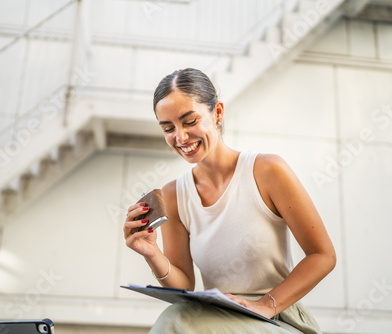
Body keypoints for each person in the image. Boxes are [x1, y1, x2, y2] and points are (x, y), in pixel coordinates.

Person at [123, 68, 336, 333]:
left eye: (189, 121)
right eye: (168, 128)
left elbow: (323, 256)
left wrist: (266, 304)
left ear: (218, 113)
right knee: (179, 314)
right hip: (216, 318)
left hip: (276, 318)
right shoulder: (174, 195)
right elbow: (184, 288)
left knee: (174, 320)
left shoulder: (267, 171)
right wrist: (153, 254)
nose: (180, 137)